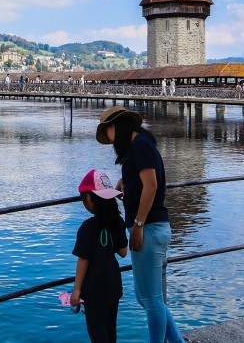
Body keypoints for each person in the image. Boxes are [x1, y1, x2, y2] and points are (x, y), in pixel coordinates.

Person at [95, 107, 185, 343]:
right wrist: (128, 182)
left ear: (116, 127)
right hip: (156, 228)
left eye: (109, 134)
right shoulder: (143, 145)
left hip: (149, 229)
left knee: (151, 299)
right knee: (151, 297)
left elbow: (152, 186)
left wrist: (138, 225)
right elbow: (146, 181)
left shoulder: (140, 146)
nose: (112, 142)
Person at [71, 169, 128, 343]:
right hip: (113, 285)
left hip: (94, 290)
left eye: (83, 198)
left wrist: (76, 290)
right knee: (111, 330)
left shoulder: (87, 228)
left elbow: (83, 260)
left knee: (97, 333)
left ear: (89, 198)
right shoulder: (117, 221)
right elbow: (123, 252)